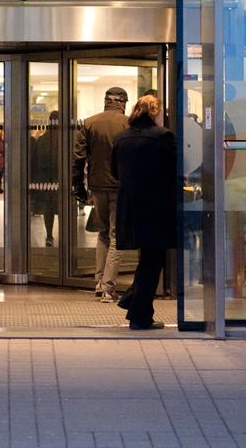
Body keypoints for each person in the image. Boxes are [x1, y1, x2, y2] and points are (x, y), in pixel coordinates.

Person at [111, 95, 177, 330]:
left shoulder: (121, 138)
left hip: (129, 206)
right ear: (155, 112)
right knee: (153, 260)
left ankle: (135, 303)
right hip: (156, 207)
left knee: (147, 259)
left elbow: (114, 171)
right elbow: (174, 170)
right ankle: (139, 315)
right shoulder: (163, 136)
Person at [74, 87, 130, 302]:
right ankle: (108, 288)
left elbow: (78, 157)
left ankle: (99, 282)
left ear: (105, 101)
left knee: (103, 232)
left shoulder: (90, 123)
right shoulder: (127, 123)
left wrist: (77, 185)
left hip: (97, 186)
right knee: (117, 235)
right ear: (123, 103)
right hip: (119, 186)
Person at [30, 110, 61, 247]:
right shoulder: (66, 139)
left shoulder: (42, 139)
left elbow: (35, 161)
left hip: (45, 179)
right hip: (61, 178)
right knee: (62, 206)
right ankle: (65, 234)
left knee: (48, 208)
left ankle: (49, 235)